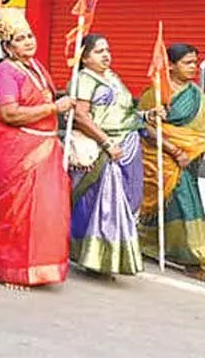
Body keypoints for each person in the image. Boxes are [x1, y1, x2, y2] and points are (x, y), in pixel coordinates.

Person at [0, 8, 74, 290]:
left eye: (30, 36)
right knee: (18, 213)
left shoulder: (35, 66)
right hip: (17, 151)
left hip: (45, 147)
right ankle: (12, 270)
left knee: (48, 212)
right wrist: (54, 107)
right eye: (20, 39)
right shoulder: (4, 72)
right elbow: (10, 113)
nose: (28, 42)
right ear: (8, 46)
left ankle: (42, 268)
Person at [67, 34, 149, 277]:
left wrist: (146, 116)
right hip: (104, 149)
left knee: (131, 200)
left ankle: (115, 257)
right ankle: (94, 258)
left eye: (107, 50)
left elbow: (125, 111)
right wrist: (105, 142)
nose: (106, 55)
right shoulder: (83, 79)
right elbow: (81, 117)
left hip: (128, 146)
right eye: (98, 51)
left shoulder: (112, 77)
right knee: (98, 205)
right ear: (84, 57)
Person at [137, 43, 205, 277]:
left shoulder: (197, 95)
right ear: (172, 65)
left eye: (195, 63)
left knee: (187, 206)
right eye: (187, 63)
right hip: (161, 160)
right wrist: (174, 151)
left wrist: (193, 148)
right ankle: (190, 257)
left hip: (189, 160)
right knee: (175, 207)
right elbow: (144, 127)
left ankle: (185, 254)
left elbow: (199, 129)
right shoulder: (156, 92)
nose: (193, 67)